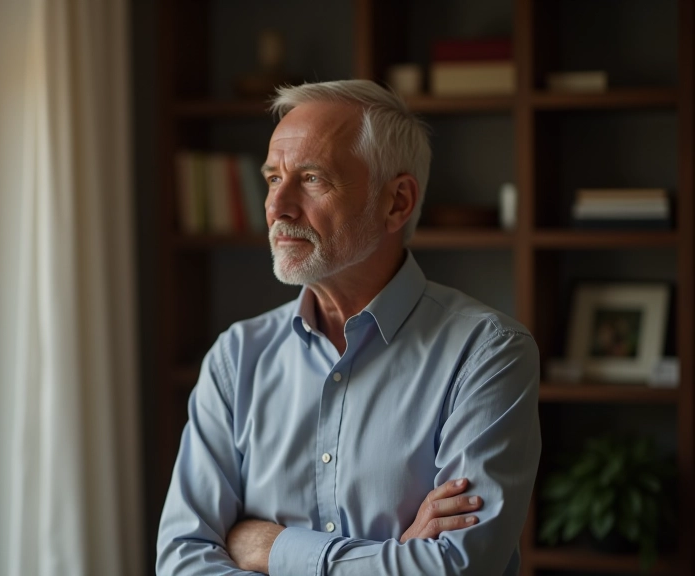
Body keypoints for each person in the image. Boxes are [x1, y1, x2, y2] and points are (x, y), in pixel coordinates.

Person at [156, 80, 541, 575]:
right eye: (274, 178)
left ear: (397, 202)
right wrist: (396, 558)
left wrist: (269, 548)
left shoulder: (488, 354)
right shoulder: (236, 357)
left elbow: (453, 569)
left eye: (312, 178)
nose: (277, 207)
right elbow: (182, 560)